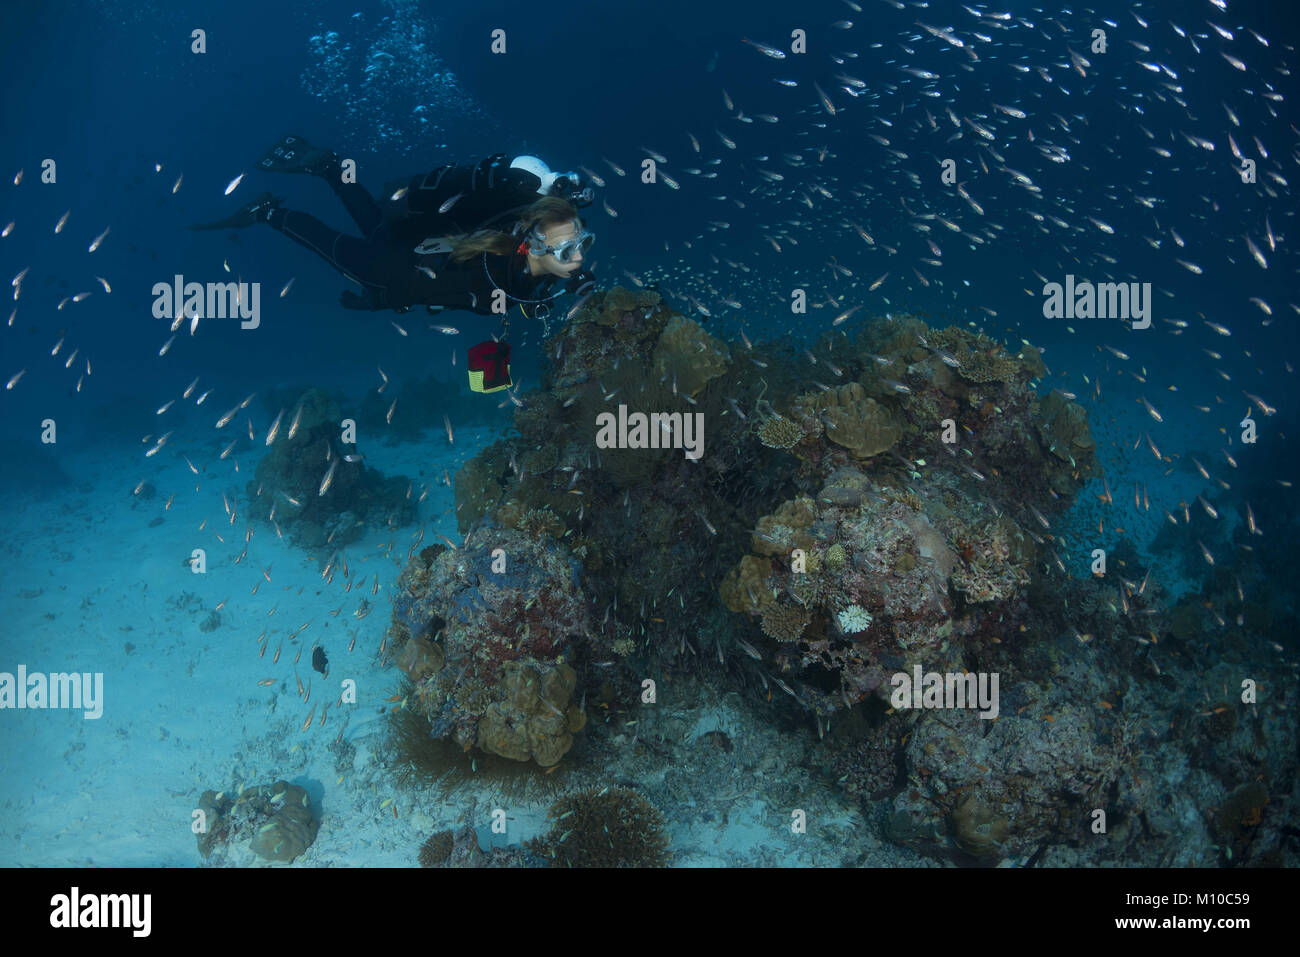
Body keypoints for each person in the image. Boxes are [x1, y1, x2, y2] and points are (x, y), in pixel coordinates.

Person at [192, 135, 597, 323]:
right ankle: (269, 213)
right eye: (567, 251)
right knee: (327, 244)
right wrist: (378, 300)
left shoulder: (519, 245)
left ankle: (331, 168)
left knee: (374, 220)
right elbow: (424, 291)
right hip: (387, 269)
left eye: (582, 243)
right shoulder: (491, 276)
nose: (579, 257)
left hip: (408, 236)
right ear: (534, 246)